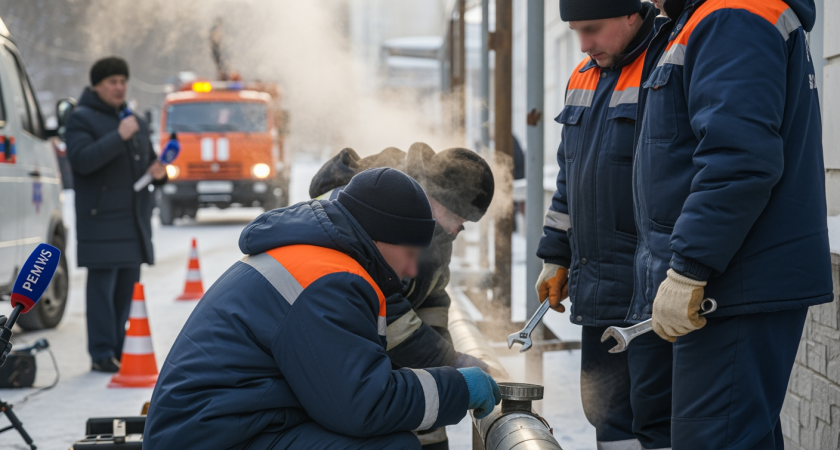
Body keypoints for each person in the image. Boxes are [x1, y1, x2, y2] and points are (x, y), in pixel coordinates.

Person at [145, 168, 501, 449]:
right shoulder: (330, 282)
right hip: (215, 438)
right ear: (380, 238)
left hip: (222, 425)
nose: (411, 271)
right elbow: (364, 404)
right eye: (410, 255)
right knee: (390, 447)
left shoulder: (319, 258)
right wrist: (459, 387)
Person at [632, 0, 831, 448]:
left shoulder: (731, 15)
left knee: (715, 440)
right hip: (733, 277)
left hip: (733, 280)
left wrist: (689, 267)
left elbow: (739, 160)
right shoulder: (709, 18)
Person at [535, 2, 672, 449]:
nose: (584, 44)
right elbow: (569, 176)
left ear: (632, 13)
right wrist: (555, 254)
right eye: (576, 31)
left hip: (652, 293)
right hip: (600, 287)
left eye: (592, 30)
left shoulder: (666, 61)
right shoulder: (582, 75)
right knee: (606, 415)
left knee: (656, 422)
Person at [309, 143, 497, 450]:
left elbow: (432, 300)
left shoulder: (435, 230)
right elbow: (388, 311)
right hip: (338, 348)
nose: (457, 230)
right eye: (458, 218)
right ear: (438, 201)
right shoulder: (378, 210)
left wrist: (440, 365)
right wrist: (449, 362)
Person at [65, 57, 167, 373]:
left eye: (123, 80)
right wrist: (118, 136)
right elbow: (81, 161)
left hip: (133, 221)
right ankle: (101, 353)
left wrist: (159, 172)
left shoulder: (133, 120)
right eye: (112, 81)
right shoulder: (80, 119)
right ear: (97, 86)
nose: (119, 87)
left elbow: (146, 164)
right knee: (102, 294)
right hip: (100, 221)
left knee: (127, 293)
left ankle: (123, 349)